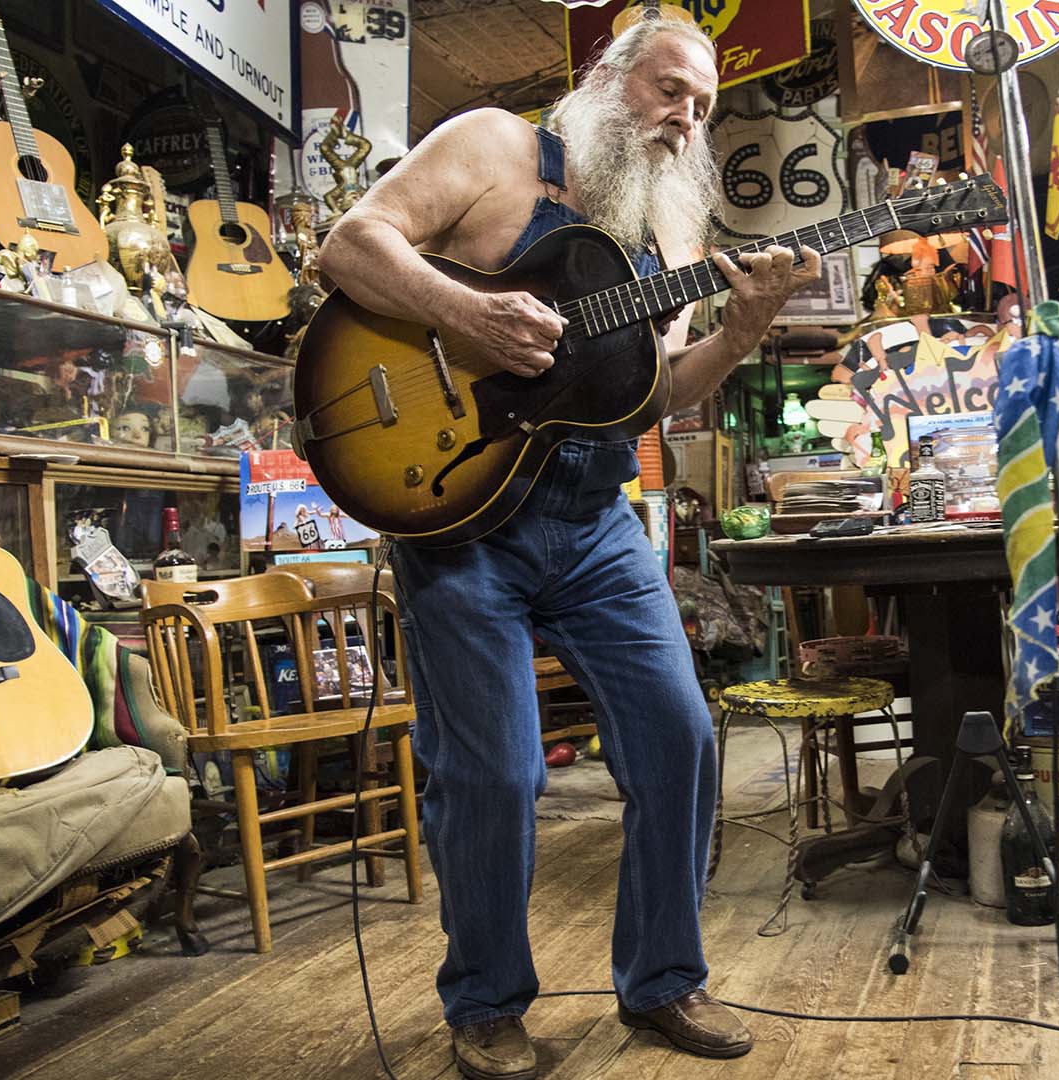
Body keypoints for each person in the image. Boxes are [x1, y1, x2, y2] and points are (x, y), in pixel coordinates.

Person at [316, 14, 820, 1080]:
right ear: (611, 75)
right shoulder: (493, 145)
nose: (684, 118)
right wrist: (467, 315)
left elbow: (656, 393)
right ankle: (487, 1003)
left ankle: (662, 984)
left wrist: (744, 329)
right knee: (493, 772)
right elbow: (347, 245)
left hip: (594, 521)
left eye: (702, 107)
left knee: (681, 736)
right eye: (670, 89)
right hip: (461, 516)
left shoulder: (668, 237)